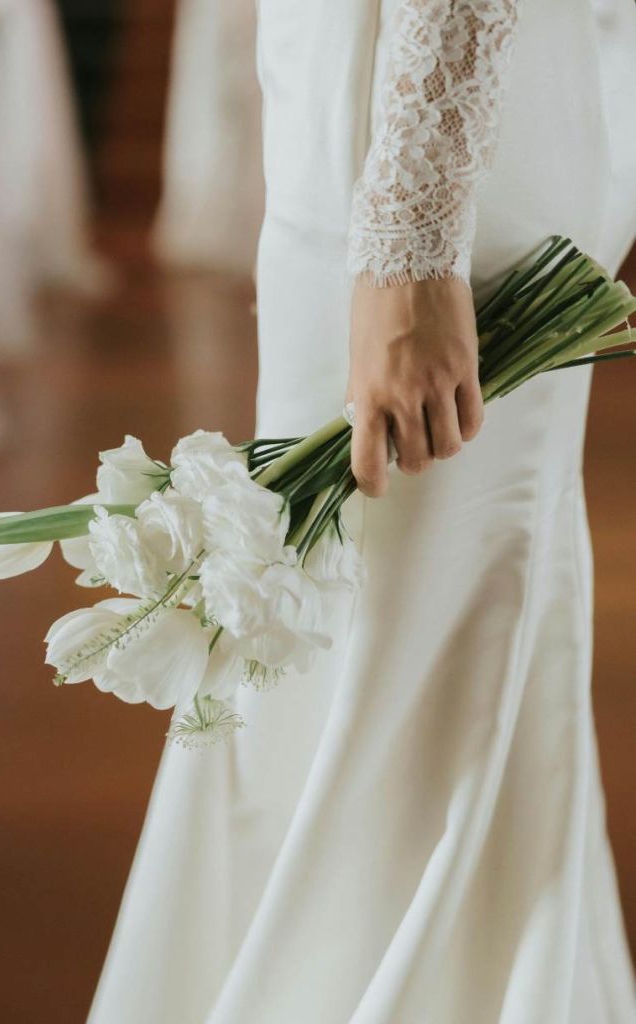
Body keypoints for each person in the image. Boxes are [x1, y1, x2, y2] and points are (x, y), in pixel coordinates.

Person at [89, 1, 636, 1020]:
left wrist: (411, 250)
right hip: (356, 92)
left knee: (407, 617)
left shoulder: (416, 219)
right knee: (353, 615)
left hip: (432, 137)